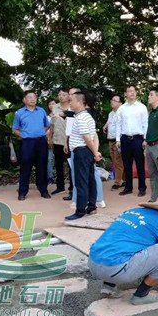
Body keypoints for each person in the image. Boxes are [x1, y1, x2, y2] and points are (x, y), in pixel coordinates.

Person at [65, 92, 102, 220]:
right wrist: (95, 152)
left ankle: (80, 211)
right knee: (90, 180)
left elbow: (87, 138)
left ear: (79, 103)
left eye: (71, 101)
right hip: (87, 151)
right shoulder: (87, 117)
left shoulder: (81, 118)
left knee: (81, 182)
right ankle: (92, 206)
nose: (70, 103)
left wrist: (95, 152)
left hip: (81, 152)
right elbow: (94, 136)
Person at [12, 90, 51, 200]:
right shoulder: (20, 113)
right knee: (25, 167)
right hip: (27, 143)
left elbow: (47, 125)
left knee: (42, 166)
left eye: (34, 97)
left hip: (41, 142)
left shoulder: (41, 111)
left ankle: (43, 190)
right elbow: (15, 128)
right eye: (30, 97)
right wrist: (24, 135)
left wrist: (40, 133)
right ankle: (22, 192)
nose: (33, 99)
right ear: (24, 100)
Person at [116, 85, 148, 197]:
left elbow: (146, 124)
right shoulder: (121, 109)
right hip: (125, 139)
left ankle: (142, 187)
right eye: (129, 91)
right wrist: (117, 139)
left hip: (138, 139)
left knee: (140, 164)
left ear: (136, 93)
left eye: (133, 91)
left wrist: (145, 139)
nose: (132, 93)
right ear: (125, 93)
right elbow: (118, 125)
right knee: (127, 164)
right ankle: (128, 187)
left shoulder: (142, 107)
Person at [49, 88, 72, 195]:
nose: (61, 96)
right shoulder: (55, 107)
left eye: (64, 94)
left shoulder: (73, 107)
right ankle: (60, 187)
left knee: (71, 165)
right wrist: (50, 138)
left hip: (70, 140)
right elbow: (52, 124)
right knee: (58, 165)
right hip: (57, 139)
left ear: (69, 96)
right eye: (59, 94)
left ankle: (72, 187)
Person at [103, 94, 125, 190]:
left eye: (115, 100)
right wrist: (105, 126)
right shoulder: (111, 113)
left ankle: (117, 182)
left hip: (118, 141)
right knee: (115, 161)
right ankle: (125, 179)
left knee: (118, 161)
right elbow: (109, 122)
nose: (112, 102)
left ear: (120, 103)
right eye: (112, 100)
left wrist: (118, 141)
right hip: (110, 140)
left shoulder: (122, 113)